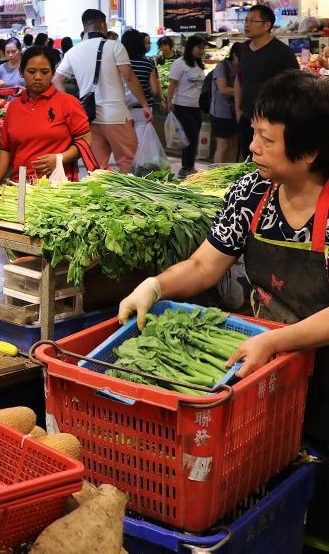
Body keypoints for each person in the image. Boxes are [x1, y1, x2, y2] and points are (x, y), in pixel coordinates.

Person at [118, 72, 329, 543]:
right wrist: (154, 286)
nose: (251, 146)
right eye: (253, 132)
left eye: (266, 138)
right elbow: (204, 265)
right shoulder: (252, 193)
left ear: (309, 152)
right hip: (266, 371)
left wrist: (277, 340)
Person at [55, 9, 152, 174]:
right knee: (128, 160)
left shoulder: (72, 52)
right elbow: (129, 76)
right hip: (116, 116)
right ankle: (125, 196)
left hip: (89, 117)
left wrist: (72, 105)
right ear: (102, 25)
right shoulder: (115, 46)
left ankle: (100, 197)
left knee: (96, 166)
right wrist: (144, 104)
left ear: (85, 26)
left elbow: (56, 80)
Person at [0, 46, 93, 185]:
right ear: (21, 72)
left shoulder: (68, 103)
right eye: (31, 71)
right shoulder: (14, 107)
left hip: (58, 188)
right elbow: (6, 149)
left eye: (44, 72)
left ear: (53, 73)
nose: (38, 77)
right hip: (19, 186)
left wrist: (60, 158)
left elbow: (85, 140)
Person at [233, 4, 297, 160]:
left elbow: (295, 85)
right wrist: (238, 108)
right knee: (248, 159)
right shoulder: (244, 49)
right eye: (246, 20)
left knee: (269, 160)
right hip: (247, 117)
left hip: (271, 119)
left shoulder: (282, 52)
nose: (247, 24)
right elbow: (239, 78)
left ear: (267, 25)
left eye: (252, 21)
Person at [166, 37, 207, 178]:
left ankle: (190, 166)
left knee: (194, 136)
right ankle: (185, 167)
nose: (202, 51)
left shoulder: (198, 65)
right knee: (191, 134)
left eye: (203, 48)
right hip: (182, 105)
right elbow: (172, 85)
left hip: (196, 106)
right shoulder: (179, 64)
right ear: (191, 47)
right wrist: (168, 101)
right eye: (199, 47)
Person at [124, 29, 161, 131]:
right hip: (143, 109)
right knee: (142, 143)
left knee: (127, 144)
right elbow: (155, 90)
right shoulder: (148, 63)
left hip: (123, 107)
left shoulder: (121, 63)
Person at [211, 45, 239, 164]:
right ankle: (217, 176)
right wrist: (243, 93)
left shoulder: (242, 68)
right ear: (234, 55)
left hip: (235, 112)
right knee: (223, 145)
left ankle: (232, 176)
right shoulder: (222, 66)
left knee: (234, 145)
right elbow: (223, 89)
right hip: (221, 113)